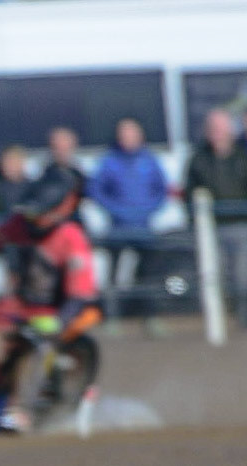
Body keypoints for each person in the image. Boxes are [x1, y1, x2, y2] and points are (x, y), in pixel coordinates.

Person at [0, 167, 101, 432]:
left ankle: (22, 411)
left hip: (56, 312)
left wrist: (59, 321)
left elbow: (81, 292)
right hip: (19, 305)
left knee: (38, 350)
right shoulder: (19, 224)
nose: (33, 219)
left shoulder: (71, 238)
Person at [89, 118, 168, 332]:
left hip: (144, 228)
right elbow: (96, 190)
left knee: (149, 274)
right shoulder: (109, 161)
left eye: (132, 133)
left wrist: (147, 210)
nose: (127, 138)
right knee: (114, 275)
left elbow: (161, 189)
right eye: (124, 134)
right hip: (118, 228)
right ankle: (112, 318)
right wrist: (117, 211)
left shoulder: (149, 160)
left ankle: (150, 318)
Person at [186, 108, 247, 327]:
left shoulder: (242, 156)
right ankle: (217, 321)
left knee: (242, 276)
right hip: (210, 228)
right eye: (213, 127)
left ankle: (243, 318)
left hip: (241, 225)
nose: (217, 132)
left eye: (221, 127)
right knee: (213, 277)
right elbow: (189, 192)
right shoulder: (199, 159)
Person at [0, 145, 32, 222]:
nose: (9, 166)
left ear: (22, 163)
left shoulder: (33, 187)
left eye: (13, 161)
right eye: (6, 161)